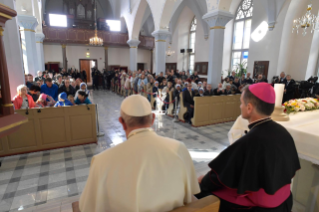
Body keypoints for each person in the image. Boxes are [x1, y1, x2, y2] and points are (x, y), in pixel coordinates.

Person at [79, 95, 200, 212]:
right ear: (153, 119)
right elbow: (190, 194)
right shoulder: (179, 148)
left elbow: (86, 207)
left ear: (122, 122)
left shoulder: (102, 161)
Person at [196, 83, 300, 212]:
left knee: (199, 192)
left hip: (259, 205)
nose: (240, 106)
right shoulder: (283, 132)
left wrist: (203, 181)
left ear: (249, 108)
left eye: (241, 103)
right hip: (284, 200)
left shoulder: (250, 141)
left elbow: (221, 176)